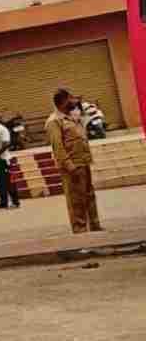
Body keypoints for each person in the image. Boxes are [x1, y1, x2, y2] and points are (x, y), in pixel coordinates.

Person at [46, 88, 102, 234]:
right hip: (72, 165)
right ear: (63, 101)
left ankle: (95, 225)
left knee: (89, 195)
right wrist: (70, 166)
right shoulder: (54, 121)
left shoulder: (71, 117)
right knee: (76, 199)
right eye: (71, 98)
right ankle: (80, 228)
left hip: (84, 162)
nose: (74, 100)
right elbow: (58, 147)